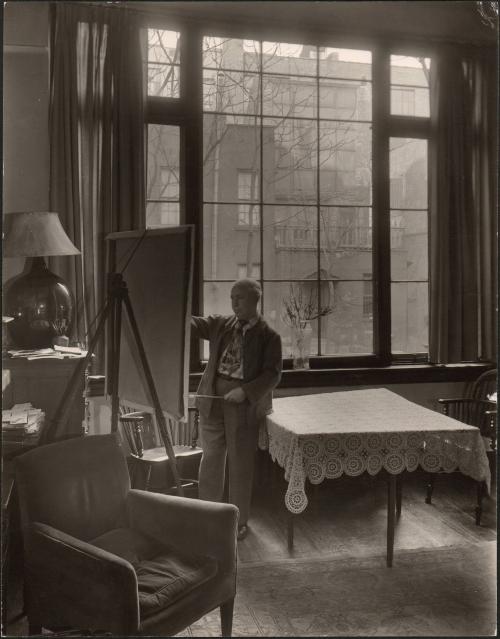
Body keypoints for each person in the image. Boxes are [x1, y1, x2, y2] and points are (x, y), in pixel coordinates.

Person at [191, 278, 282, 540]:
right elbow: (196, 325)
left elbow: (273, 374)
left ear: (255, 300)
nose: (234, 303)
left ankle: (238, 522)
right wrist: (172, 312)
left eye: (239, 298)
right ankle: (207, 514)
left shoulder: (269, 336)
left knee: (241, 463)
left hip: (242, 404)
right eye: (232, 298)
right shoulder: (221, 324)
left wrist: (245, 392)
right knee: (211, 458)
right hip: (212, 400)